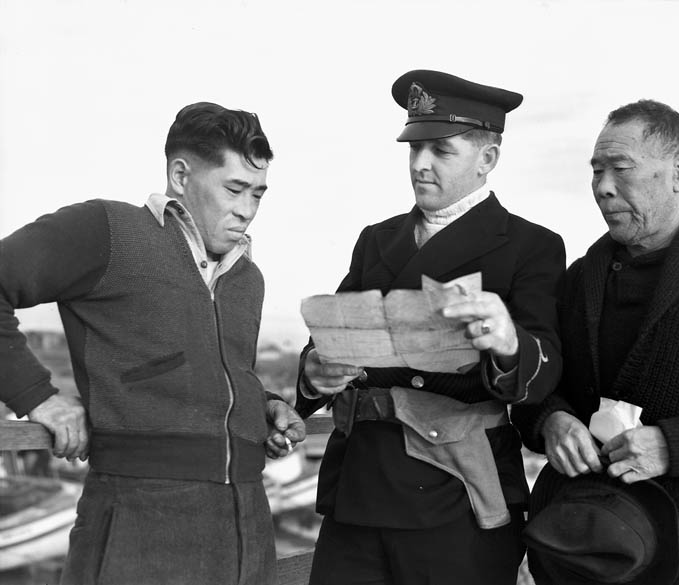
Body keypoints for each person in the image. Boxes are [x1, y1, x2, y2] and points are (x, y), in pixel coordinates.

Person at [0, 102, 306, 585]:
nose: (246, 210)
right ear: (181, 175)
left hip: (248, 522)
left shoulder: (248, 278)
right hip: (139, 521)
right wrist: (37, 397)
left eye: (258, 194)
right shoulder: (106, 230)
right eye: (233, 189)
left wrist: (261, 407)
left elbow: (214, 374)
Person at [296, 70, 566, 585]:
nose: (420, 164)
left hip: (455, 495)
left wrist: (509, 343)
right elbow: (331, 334)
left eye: (441, 151)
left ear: (486, 160)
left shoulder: (531, 246)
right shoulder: (376, 239)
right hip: (358, 492)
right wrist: (314, 371)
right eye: (414, 149)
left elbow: (545, 364)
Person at [511, 99, 679, 585]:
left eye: (620, 168)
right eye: (597, 170)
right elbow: (533, 384)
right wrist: (551, 420)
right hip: (578, 553)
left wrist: (677, 444)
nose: (603, 187)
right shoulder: (578, 280)